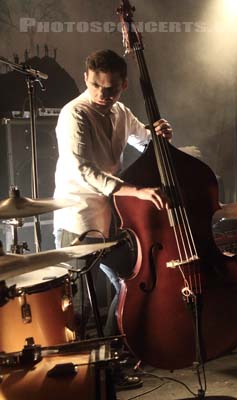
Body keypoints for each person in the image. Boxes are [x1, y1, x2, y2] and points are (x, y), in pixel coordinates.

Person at [53, 49, 172, 390]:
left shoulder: (120, 111)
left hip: (111, 215)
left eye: (111, 89)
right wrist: (133, 190)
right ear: (86, 78)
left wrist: (157, 133)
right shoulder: (74, 113)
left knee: (132, 281)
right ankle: (73, 380)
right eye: (95, 86)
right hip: (78, 218)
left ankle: (109, 362)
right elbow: (84, 170)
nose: (103, 96)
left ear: (124, 85)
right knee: (76, 306)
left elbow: (143, 138)